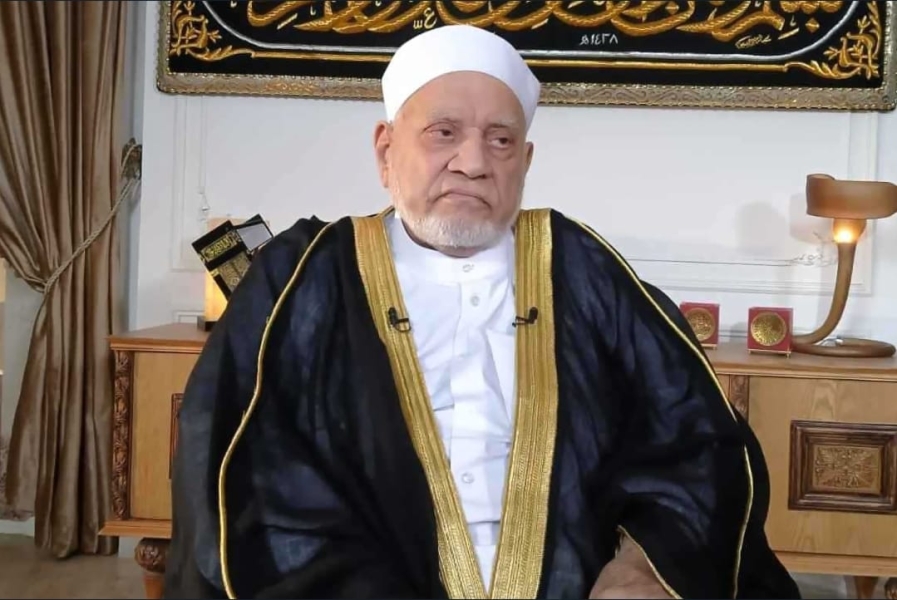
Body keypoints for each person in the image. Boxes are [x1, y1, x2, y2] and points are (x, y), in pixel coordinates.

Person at [163, 24, 800, 600]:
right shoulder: (306, 276)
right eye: (443, 133)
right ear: (385, 151)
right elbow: (249, 474)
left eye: (500, 141)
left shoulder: (581, 269)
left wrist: (643, 569)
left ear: (525, 162)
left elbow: (695, 440)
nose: (473, 163)